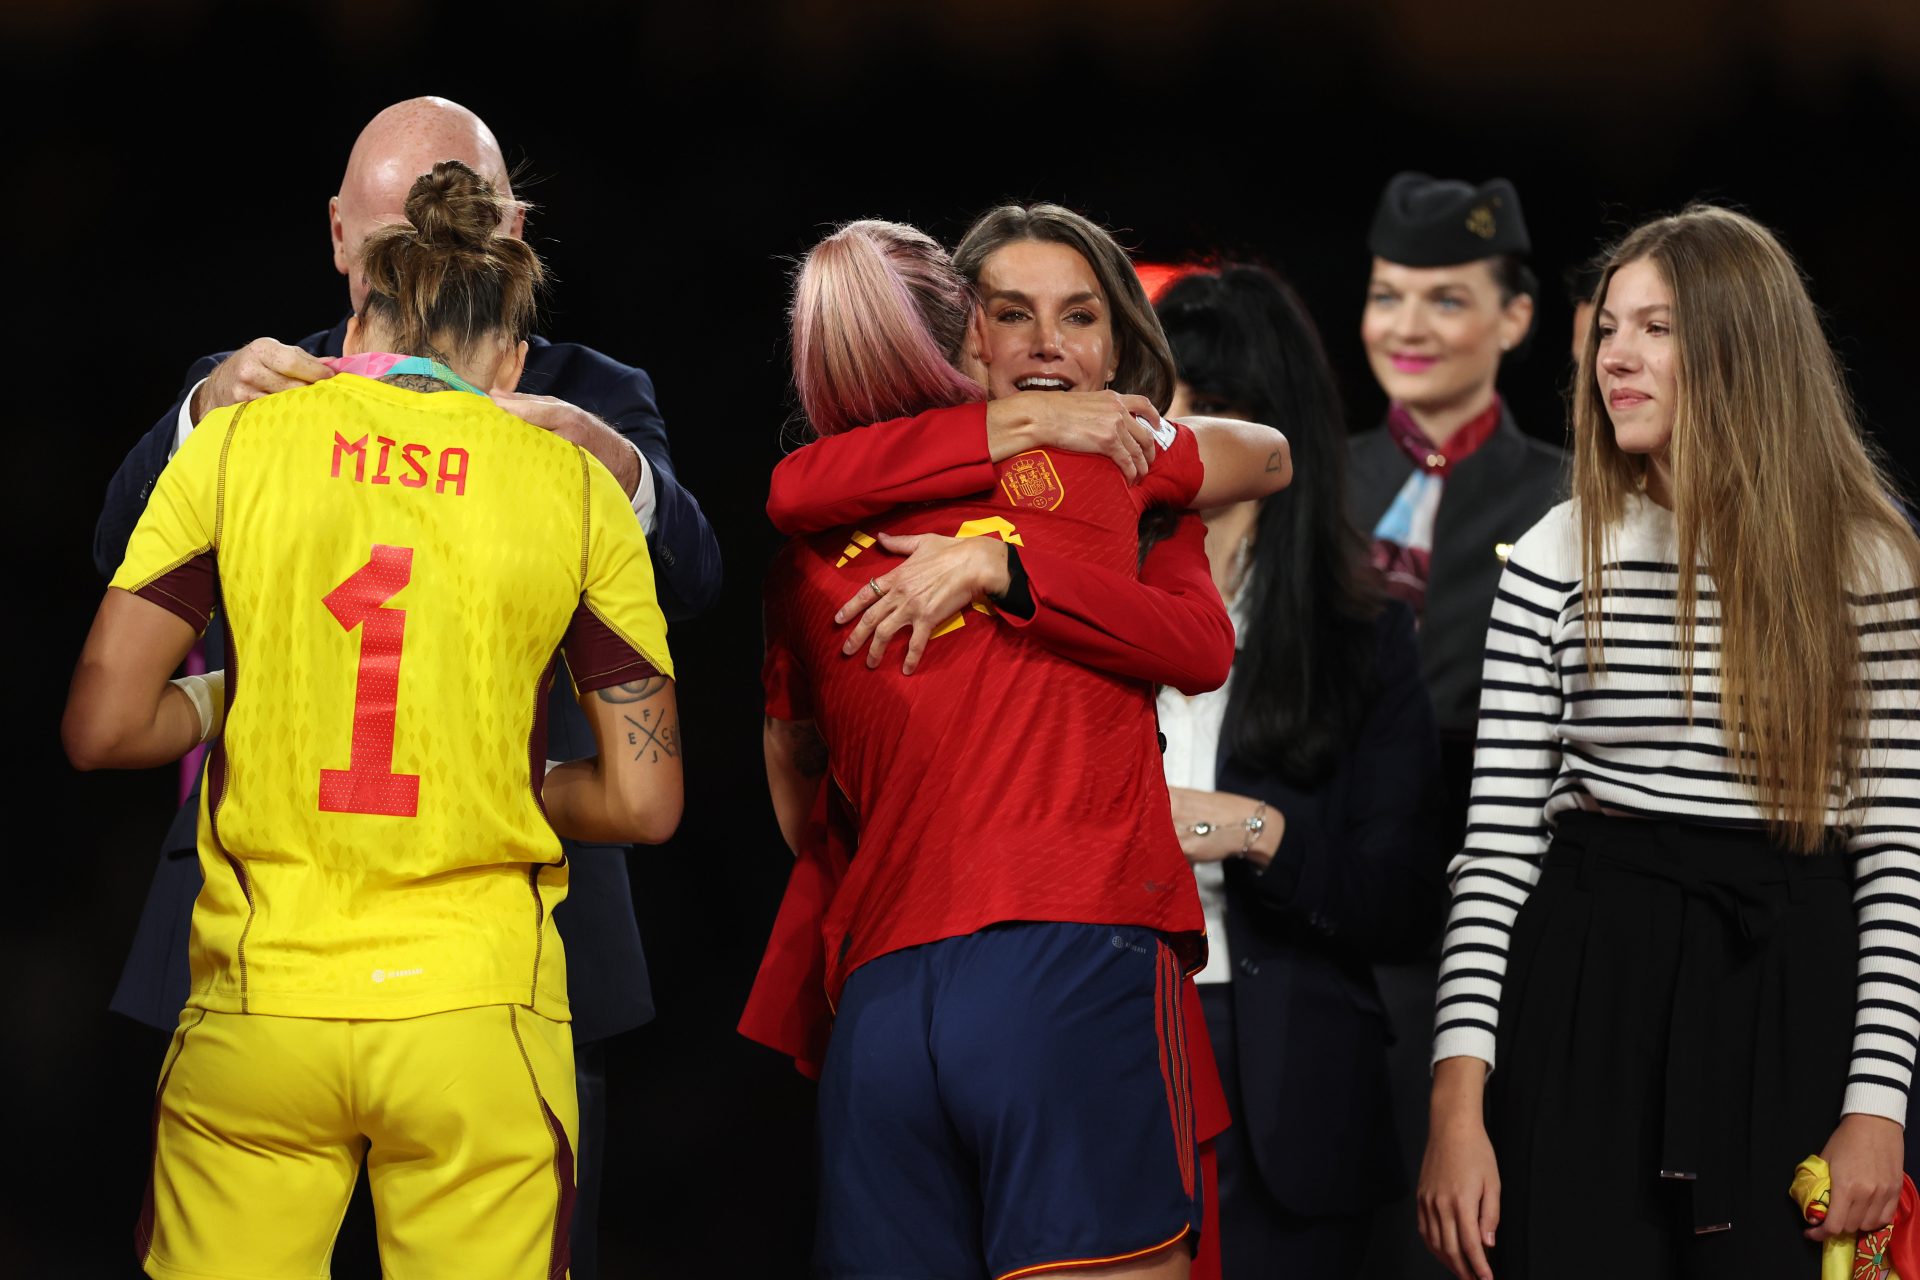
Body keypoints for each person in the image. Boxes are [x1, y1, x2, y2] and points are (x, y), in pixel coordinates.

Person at [91, 96, 719, 1276]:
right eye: (392, 242)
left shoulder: (591, 403)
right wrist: (193, 414)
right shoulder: (242, 398)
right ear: (338, 237)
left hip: (511, 951)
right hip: (262, 951)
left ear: (509, 232)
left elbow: (698, 574)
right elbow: (108, 555)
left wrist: (604, 455)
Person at [761, 208, 1292, 1280]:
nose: (1048, 344)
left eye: (1079, 316)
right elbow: (1270, 465)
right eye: (1013, 315)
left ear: (1117, 340)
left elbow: (795, 786)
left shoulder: (808, 542)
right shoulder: (1103, 467)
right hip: (1069, 963)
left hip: (880, 1004)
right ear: (964, 340)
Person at [1417, 205, 1920, 1280]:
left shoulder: (1869, 559)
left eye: (1659, 327)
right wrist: (1457, 1103)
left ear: (1746, 345)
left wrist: (1878, 1106)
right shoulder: (1560, 547)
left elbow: (1896, 858)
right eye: (1609, 328)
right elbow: (1497, 848)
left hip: (1790, 993)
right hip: (1587, 988)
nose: (1618, 356)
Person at [1150, 263, 1446, 1276]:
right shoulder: (1077, 606)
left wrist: (1254, 829)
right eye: (1164, 403)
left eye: (1218, 406)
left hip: (1286, 1077)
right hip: (1108, 1035)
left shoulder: (1362, 638)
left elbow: (1405, 901)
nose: (1183, 436)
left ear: (1281, 436)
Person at [1345, 172, 1564, 1280]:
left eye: (1445, 298)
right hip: (1327, 943)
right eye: (1388, 296)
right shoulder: (1307, 487)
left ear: (1516, 318)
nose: (1409, 327)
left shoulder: (1571, 505)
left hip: (1491, 950)